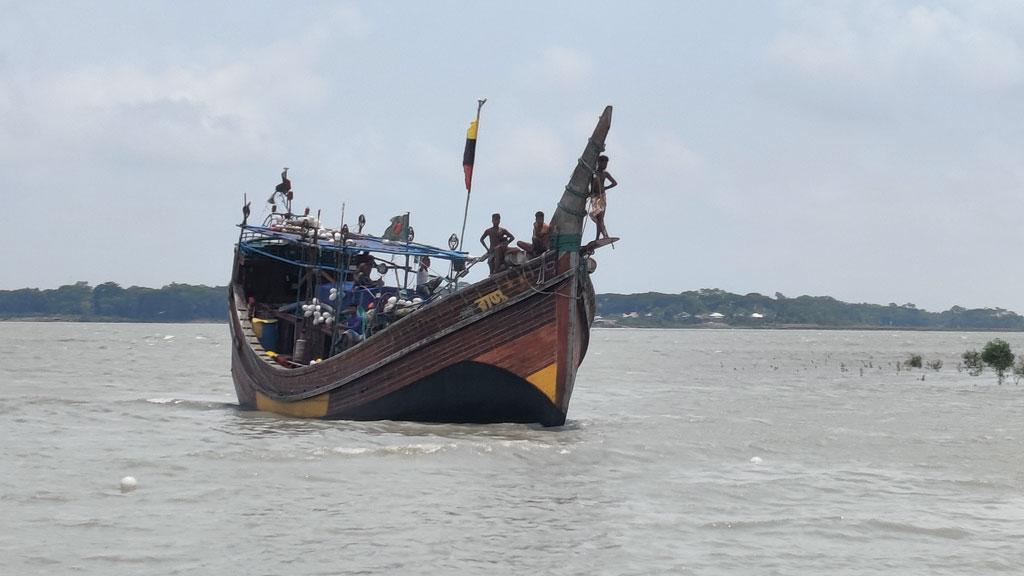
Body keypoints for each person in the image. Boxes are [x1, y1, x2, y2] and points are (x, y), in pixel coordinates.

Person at [589, 155, 617, 242]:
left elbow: (614, 183)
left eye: (606, 163)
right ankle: (600, 236)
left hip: (601, 197)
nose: (605, 165)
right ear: (599, 163)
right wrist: (589, 193)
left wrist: (605, 187)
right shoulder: (593, 174)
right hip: (594, 197)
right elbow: (591, 185)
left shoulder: (605, 174)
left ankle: (601, 236)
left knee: (600, 217)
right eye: (604, 163)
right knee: (598, 218)